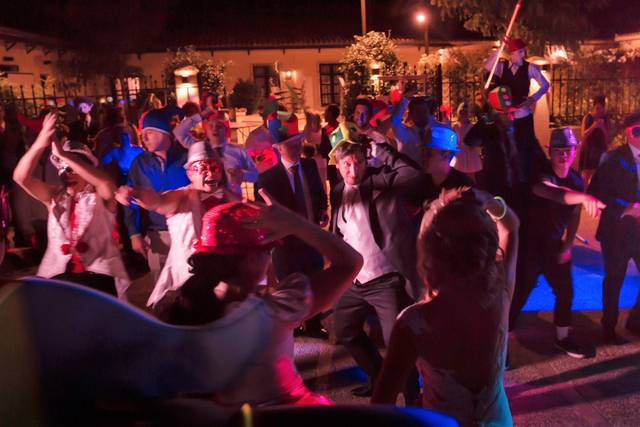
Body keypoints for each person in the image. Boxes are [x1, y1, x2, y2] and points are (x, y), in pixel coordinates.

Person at [157, 195, 363, 406]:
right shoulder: (274, 313)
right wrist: (296, 224)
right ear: (252, 259)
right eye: (268, 250)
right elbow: (350, 262)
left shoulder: (183, 308)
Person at [372, 187, 519, 426]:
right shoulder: (499, 298)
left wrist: (436, 206)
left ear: (430, 254)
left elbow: (380, 407)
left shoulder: (413, 324)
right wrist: (488, 200)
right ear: (485, 250)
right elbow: (511, 226)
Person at [331, 137, 423, 398]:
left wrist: (383, 151)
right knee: (345, 330)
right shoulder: (337, 190)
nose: (353, 170)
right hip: (354, 280)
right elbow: (340, 231)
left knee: (398, 345)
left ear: (365, 161)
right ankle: (377, 376)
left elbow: (412, 174)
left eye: (358, 163)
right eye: (346, 164)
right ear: (337, 166)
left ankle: (412, 398)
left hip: (385, 279)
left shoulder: (380, 182)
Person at [12, 113, 129, 297]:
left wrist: (63, 155)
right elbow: (20, 177)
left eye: (73, 169)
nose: (67, 174)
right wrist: (41, 142)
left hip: (98, 281)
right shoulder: (54, 197)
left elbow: (106, 183)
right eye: (63, 168)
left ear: (86, 171)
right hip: (60, 280)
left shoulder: (100, 196)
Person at [509, 128, 603, 357]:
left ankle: (563, 337)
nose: (564, 155)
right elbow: (552, 192)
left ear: (575, 150)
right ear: (549, 152)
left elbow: (573, 214)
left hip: (553, 244)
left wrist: (569, 243)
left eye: (568, 150)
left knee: (565, 290)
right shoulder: (540, 174)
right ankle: (502, 332)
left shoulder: (576, 180)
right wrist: (583, 197)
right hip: (528, 245)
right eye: (558, 150)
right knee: (520, 290)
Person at [117, 141, 235, 308]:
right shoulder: (182, 197)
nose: (209, 173)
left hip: (221, 278)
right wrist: (135, 194)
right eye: (201, 168)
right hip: (187, 281)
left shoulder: (230, 198)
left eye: (214, 168)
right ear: (189, 174)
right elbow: (158, 201)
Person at [255, 112, 330, 339]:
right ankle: (294, 325)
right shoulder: (267, 178)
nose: (297, 147)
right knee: (289, 283)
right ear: (278, 148)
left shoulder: (308, 166)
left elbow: (318, 194)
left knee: (315, 281)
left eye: (298, 142)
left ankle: (314, 324)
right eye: (291, 144)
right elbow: (264, 214)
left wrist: (322, 211)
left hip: (311, 237)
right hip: (285, 243)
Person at [588, 111, 640, 344]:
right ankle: (608, 328)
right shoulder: (612, 158)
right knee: (614, 279)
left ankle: (635, 321)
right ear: (628, 133)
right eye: (637, 131)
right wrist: (626, 208)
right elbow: (596, 193)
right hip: (617, 231)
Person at [124, 107, 190, 283]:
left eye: (150, 132)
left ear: (166, 133)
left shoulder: (187, 158)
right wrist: (134, 234)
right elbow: (131, 202)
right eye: (143, 133)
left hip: (188, 233)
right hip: (157, 237)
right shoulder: (140, 163)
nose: (143, 137)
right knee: (162, 290)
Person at [484, 37, 549, 185]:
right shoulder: (502, 66)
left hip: (523, 116)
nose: (513, 56)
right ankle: (508, 180)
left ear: (522, 52)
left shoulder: (530, 68)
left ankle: (527, 179)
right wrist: (500, 48)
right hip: (506, 116)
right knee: (507, 150)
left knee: (524, 149)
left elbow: (545, 85)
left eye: (516, 53)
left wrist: (533, 98)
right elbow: (488, 66)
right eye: (511, 52)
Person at [173, 107, 258, 196]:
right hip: (205, 200)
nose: (215, 129)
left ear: (226, 130)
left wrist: (243, 175)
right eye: (211, 126)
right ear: (206, 130)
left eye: (219, 126)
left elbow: (255, 175)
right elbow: (179, 132)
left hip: (232, 199)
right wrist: (202, 115)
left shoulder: (238, 151)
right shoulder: (198, 149)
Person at [391, 85, 439, 166]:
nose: (422, 114)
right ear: (411, 115)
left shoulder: (436, 132)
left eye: (424, 111)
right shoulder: (405, 134)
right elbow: (395, 121)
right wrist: (405, 99)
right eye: (417, 111)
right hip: (410, 176)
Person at [579, 95, 610, 185]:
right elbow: (583, 134)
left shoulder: (605, 119)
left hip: (600, 149)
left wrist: (602, 128)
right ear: (594, 106)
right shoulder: (587, 118)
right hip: (589, 149)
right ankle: (583, 195)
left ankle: (596, 195)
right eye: (598, 108)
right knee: (585, 175)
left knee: (599, 175)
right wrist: (593, 126)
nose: (600, 110)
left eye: (602, 108)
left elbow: (607, 137)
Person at [451, 102, 482, 180]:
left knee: (471, 176)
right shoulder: (455, 126)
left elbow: (475, 141)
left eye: (465, 112)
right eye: (462, 112)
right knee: (459, 176)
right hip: (459, 155)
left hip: (470, 154)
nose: (463, 114)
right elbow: (453, 140)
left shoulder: (471, 126)